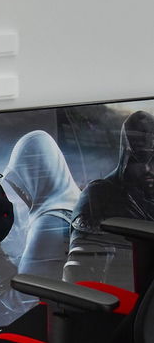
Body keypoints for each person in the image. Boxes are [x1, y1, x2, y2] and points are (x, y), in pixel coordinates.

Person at [0, 130, 80, 315]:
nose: (22, 191)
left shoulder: (49, 222)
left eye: (21, 181)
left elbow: (21, 299)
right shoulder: (78, 202)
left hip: (58, 317)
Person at [64, 110, 154, 290]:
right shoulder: (99, 195)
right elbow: (78, 271)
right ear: (127, 154)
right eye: (140, 159)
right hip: (119, 296)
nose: (148, 169)